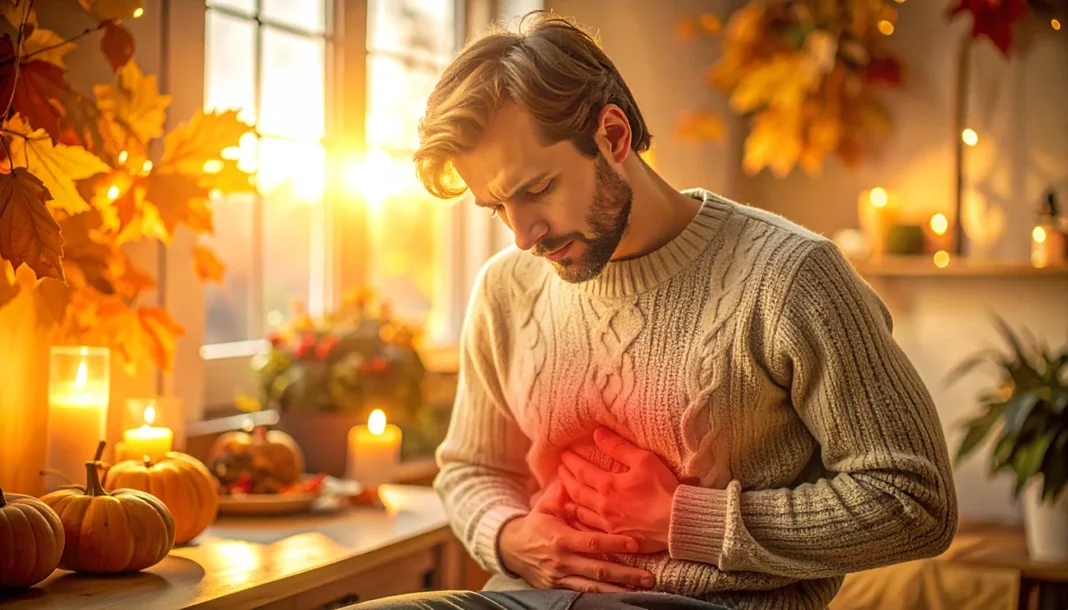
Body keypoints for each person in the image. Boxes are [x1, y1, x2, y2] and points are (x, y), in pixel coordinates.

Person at [356, 9, 957, 610]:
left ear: (612, 137)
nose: (522, 235)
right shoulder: (505, 290)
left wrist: (685, 520)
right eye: (496, 208)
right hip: (526, 595)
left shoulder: (792, 277)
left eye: (536, 189)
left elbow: (915, 501)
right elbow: (470, 469)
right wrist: (512, 539)